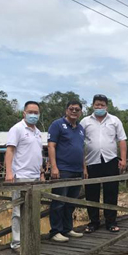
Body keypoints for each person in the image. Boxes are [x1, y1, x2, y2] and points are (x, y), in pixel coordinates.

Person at [80, 94, 128, 233]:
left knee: (111, 191)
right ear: (93, 105)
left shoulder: (115, 120)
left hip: (110, 160)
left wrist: (123, 159)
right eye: (97, 105)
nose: (99, 107)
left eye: (102, 105)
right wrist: (83, 165)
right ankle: (94, 222)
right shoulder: (85, 121)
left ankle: (111, 222)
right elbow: (80, 143)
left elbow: (122, 140)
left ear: (106, 106)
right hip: (91, 161)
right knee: (92, 192)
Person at [5, 101, 45, 252]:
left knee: (33, 211)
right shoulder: (17, 129)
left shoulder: (37, 132)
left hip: (35, 177)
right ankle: (17, 243)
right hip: (20, 176)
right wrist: (9, 172)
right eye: (31, 112)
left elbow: (38, 154)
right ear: (24, 113)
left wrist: (41, 173)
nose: (33, 115)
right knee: (18, 212)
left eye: (36, 113)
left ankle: (30, 239)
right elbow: (10, 151)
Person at [48, 100, 86, 243]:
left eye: (77, 109)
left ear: (81, 112)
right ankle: (55, 231)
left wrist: (84, 167)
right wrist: (54, 167)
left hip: (77, 170)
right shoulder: (57, 125)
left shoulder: (81, 128)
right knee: (58, 202)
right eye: (71, 109)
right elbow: (51, 146)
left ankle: (67, 228)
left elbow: (82, 149)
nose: (74, 111)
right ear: (66, 110)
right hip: (63, 169)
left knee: (71, 202)